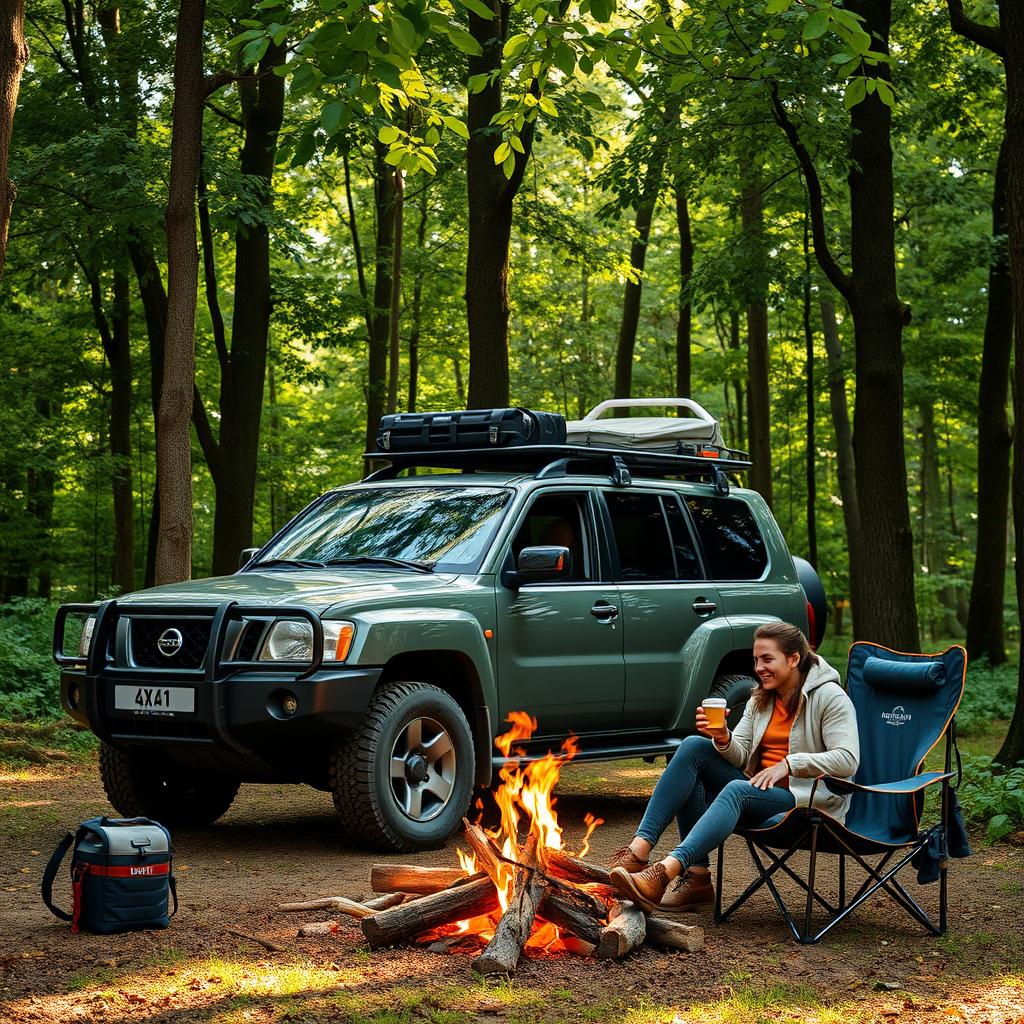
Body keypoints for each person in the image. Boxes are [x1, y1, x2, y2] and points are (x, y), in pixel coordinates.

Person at [608, 621, 859, 913]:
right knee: (693, 747)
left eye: (768, 659)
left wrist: (789, 765)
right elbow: (740, 757)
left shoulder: (829, 697)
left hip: (805, 800)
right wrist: (723, 737)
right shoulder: (761, 697)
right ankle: (649, 858)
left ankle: (665, 872)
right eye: (756, 660)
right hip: (758, 790)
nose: (759, 667)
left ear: (793, 659)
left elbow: (847, 759)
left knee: (737, 790)